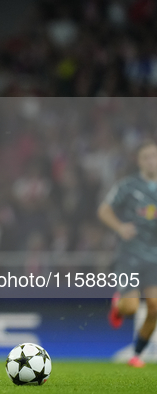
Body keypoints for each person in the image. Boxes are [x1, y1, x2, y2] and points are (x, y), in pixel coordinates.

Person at [98, 140, 157, 368]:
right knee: (132, 307)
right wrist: (119, 227)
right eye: (146, 157)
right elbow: (104, 210)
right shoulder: (128, 185)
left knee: (154, 308)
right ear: (139, 161)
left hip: (155, 257)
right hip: (130, 255)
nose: (151, 160)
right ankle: (118, 306)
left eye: (154, 155)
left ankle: (136, 354)